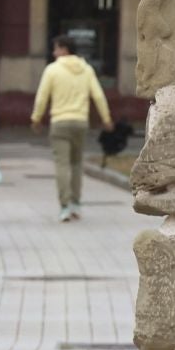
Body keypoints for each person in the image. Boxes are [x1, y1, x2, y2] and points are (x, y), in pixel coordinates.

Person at [29, 35, 112, 222]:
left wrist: (36, 118)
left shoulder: (52, 70)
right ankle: (76, 204)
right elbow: (98, 96)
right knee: (76, 164)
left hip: (59, 123)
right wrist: (106, 118)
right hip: (80, 123)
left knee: (62, 165)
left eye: (56, 49)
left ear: (64, 49)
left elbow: (42, 97)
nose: (53, 53)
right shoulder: (87, 70)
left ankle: (65, 206)